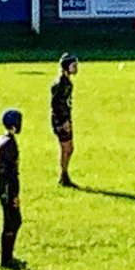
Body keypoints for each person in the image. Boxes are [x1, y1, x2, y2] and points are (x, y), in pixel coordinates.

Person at [0, 109, 24, 270]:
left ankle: (8, 256)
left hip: (5, 186)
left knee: (14, 220)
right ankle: (6, 260)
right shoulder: (10, 144)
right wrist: (13, 194)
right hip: (8, 187)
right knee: (12, 221)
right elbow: (9, 173)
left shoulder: (4, 139)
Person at [51, 53, 79, 188]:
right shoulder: (60, 84)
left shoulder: (67, 82)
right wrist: (63, 121)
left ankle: (64, 173)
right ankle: (63, 175)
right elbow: (56, 105)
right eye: (74, 65)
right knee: (66, 147)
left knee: (69, 148)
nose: (76, 68)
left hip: (65, 119)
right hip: (60, 120)